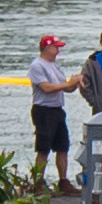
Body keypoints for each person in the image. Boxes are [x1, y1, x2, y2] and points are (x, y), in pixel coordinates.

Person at [28, 34, 77, 192]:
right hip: (43, 110)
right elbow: (46, 88)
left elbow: (65, 87)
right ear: (47, 48)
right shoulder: (37, 66)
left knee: (62, 146)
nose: (58, 51)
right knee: (43, 147)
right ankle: (38, 182)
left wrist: (75, 83)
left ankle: (63, 180)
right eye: (56, 47)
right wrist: (67, 84)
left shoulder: (55, 66)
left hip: (57, 109)